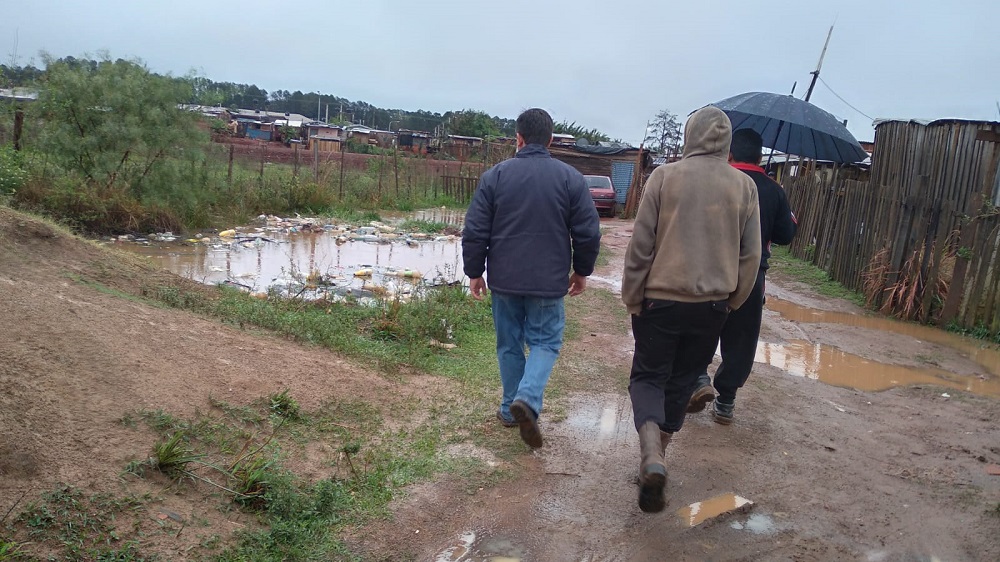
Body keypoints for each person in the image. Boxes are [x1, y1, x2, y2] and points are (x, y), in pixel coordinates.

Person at [622, 106, 761, 513]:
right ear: (727, 141)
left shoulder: (665, 176)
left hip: (660, 301)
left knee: (648, 376)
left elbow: (641, 246)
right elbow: (750, 255)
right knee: (682, 382)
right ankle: (658, 455)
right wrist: (733, 300)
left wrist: (634, 295)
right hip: (712, 306)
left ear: (690, 136)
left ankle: (650, 453)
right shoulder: (744, 187)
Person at [462, 108, 601, 449]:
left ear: (518, 139)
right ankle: (526, 398)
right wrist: (581, 271)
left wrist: (474, 272)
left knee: (508, 343)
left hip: (505, 280)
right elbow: (588, 232)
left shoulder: (495, 176)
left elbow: (475, 230)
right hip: (548, 282)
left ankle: (513, 408)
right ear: (551, 140)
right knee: (546, 342)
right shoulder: (570, 178)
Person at [687, 128, 798, 424]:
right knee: (742, 336)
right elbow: (786, 235)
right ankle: (726, 401)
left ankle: (698, 377)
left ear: (730, 154)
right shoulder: (773, 190)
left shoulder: (713, 182)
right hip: (751, 277)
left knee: (701, 326)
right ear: (760, 157)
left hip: (708, 270)